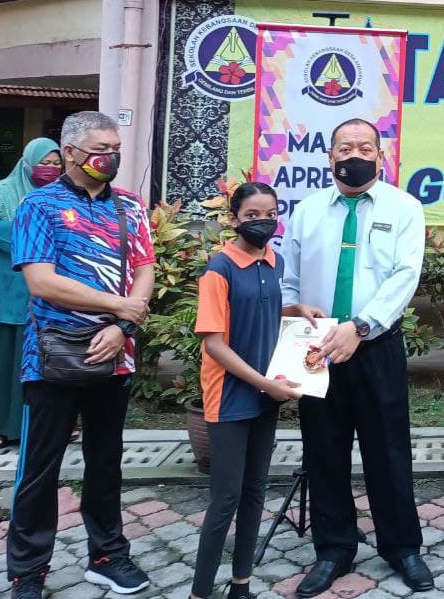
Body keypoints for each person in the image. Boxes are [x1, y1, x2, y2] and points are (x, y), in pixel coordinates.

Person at [7, 111, 154, 599]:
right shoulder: (39, 205)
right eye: (100, 149)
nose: (110, 157)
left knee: (106, 462)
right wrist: (118, 305)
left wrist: (123, 326)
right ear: (70, 152)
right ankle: (28, 572)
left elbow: (144, 269)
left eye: (115, 149)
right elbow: (41, 281)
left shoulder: (130, 206)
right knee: (39, 469)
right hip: (51, 358)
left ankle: (108, 556)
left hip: (114, 354)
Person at [282, 118, 433, 595]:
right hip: (315, 345)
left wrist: (361, 327)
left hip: (376, 344)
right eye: (345, 147)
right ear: (329, 156)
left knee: (388, 450)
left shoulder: (404, 208)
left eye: (365, 148)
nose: (355, 155)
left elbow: (405, 276)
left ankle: (402, 547)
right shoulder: (306, 211)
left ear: (381, 157)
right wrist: (292, 310)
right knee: (323, 450)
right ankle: (333, 549)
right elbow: (289, 279)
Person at [191, 182, 301, 599]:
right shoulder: (219, 269)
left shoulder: (274, 261)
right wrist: (264, 384)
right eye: (252, 215)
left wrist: (297, 310)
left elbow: (265, 310)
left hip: (264, 395)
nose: (263, 222)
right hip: (230, 396)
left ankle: (241, 585)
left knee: (255, 491)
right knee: (225, 498)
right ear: (234, 218)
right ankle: (200, 592)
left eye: (270, 214)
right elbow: (214, 344)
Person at [0, 137, 61, 451]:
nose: (50, 169)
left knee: (41, 365)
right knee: (1, 363)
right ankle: (0, 428)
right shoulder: (4, 191)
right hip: (1, 293)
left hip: (43, 296)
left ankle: (40, 426)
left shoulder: (61, 195)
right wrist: (30, 235)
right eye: (44, 163)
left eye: (56, 164)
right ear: (27, 163)